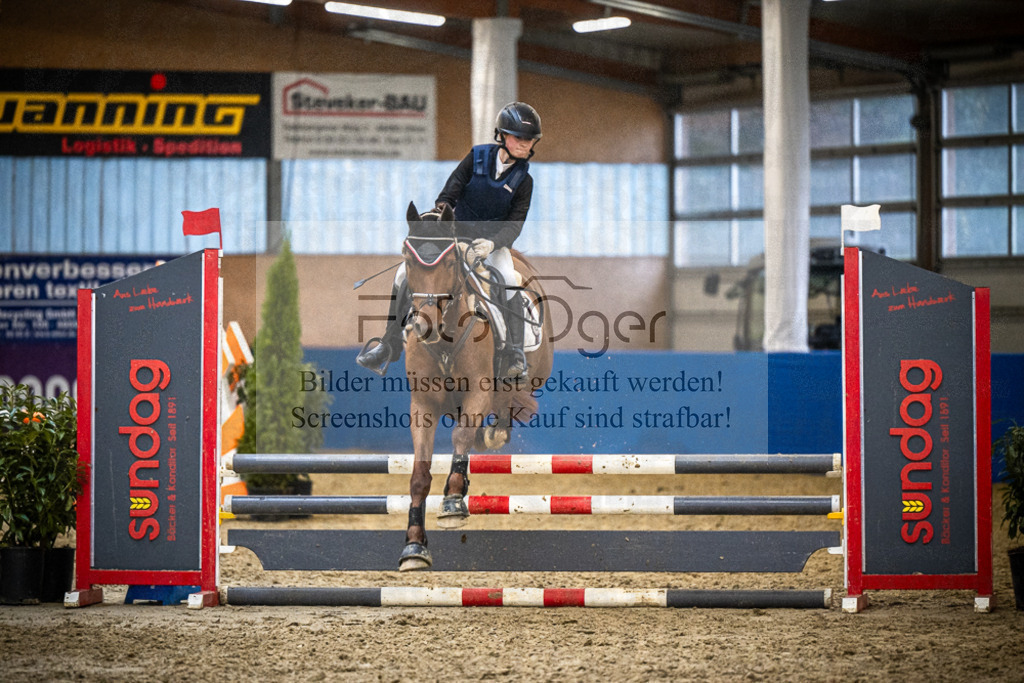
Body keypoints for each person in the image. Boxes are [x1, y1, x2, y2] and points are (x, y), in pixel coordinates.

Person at [357, 101, 542, 379]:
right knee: (400, 276)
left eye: (530, 140)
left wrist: (492, 244)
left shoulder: (524, 182)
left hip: (491, 245)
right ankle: (389, 343)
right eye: (519, 137)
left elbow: (515, 226)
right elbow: (449, 193)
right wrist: (440, 215)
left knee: (508, 278)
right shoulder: (476, 158)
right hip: (455, 236)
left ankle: (514, 352)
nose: (525, 144)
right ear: (502, 136)